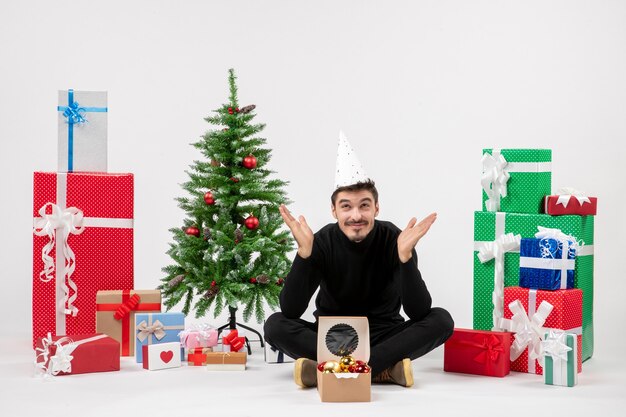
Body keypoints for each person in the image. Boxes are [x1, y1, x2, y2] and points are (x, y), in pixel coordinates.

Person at [263, 177, 454, 388]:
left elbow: (419, 311)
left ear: (376, 208)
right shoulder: (321, 241)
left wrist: (405, 257)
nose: (356, 216)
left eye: (364, 205)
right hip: (331, 338)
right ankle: (382, 370)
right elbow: (291, 310)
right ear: (334, 211)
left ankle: (329, 370)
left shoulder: (396, 239)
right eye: (346, 206)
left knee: (441, 320)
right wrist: (304, 255)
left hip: (384, 337)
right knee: (275, 325)